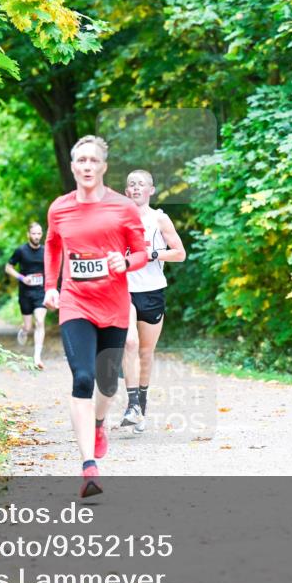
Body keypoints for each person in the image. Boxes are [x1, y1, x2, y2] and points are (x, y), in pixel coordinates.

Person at [43, 135, 148, 497]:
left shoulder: (123, 208)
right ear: (73, 166)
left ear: (103, 167)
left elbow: (141, 252)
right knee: (83, 378)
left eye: (93, 161)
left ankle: (99, 422)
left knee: (108, 384)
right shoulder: (59, 208)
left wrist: (126, 261)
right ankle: (89, 466)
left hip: (114, 306)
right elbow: (53, 244)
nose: (87, 166)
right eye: (81, 161)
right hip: (76, 303)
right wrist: (50, 286)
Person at [119, 170, 186, 432]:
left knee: (146, 353)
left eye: (141, 184)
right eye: (131, 184)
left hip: (153, 290)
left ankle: (140, 409)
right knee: (130, 343)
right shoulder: (118, 220)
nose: (136, 188)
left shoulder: (160, 219)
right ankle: (132, 404)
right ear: (126, 192)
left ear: (151, 190)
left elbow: (180, 254)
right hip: (124, 290)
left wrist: (153, 254)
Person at [5, 222, 47, 369]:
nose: (36, 236)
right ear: (28, 235)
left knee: (40, 321)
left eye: (39, 233)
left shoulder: (46, 251)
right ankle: (24, 330)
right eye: (34, 233)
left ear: (42, 234)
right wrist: (22, 278)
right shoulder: (21, 251)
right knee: (28, 327)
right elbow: (8, 267)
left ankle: (37, 357)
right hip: (25, 292)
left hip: (41, 292)